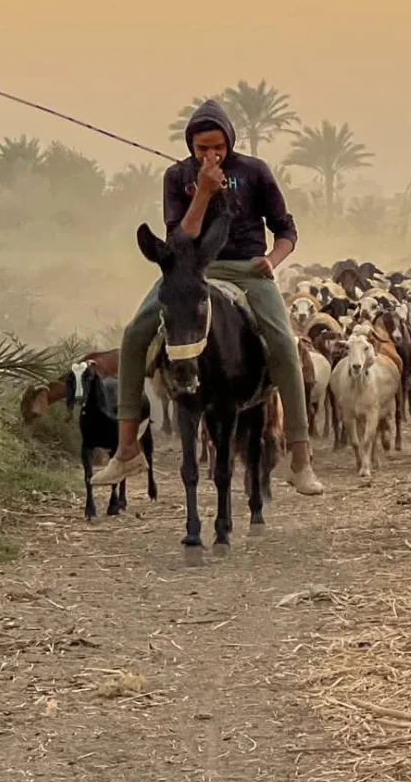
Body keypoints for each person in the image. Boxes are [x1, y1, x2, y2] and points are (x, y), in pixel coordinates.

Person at [92, 99, 324, 496]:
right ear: (191, 147)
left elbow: (286, 229)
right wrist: (201, 192)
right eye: (202, 148)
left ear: (230, 141)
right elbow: (180, 238)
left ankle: (300, 456)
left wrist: (272, 259)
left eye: (218, 146)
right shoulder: (177, 176)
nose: (212, 154)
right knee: (133, 334)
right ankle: (127, 447)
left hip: (248, 270)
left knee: (285, 344)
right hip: (191, 269)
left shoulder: (255, 172)